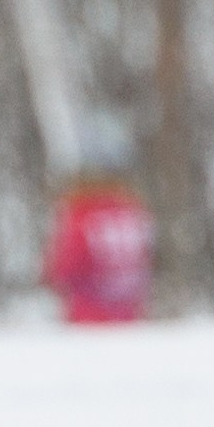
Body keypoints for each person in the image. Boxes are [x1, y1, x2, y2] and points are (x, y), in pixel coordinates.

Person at [43, 118, 155, 326]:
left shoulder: (81, 212)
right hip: (131, 320)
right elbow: (149, 259)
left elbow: (63, 268)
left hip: (89, 321)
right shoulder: (132, 209)